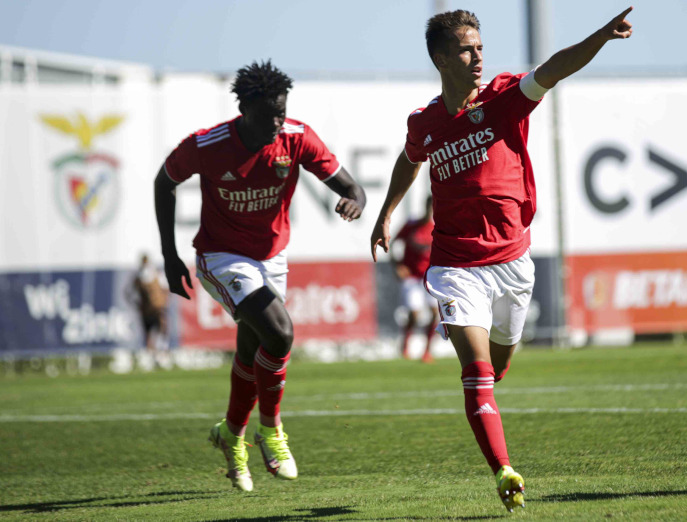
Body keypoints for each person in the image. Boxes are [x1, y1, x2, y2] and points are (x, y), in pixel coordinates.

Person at [370, 7, 633, 512]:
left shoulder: (503, 99)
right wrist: (386, 213)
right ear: (441, 58)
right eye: (467, 50)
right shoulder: (424, 123)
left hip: (513, 262)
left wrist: (600, 35)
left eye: (480, 47)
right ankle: (504, 471)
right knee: (476, 370)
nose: (478, 57)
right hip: (454, 267)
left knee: (499, 363)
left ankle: (488, 397)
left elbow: (555, 68)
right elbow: (410, 158)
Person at [154, 60, 366, 492]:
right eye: (268, 113)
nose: (276, 121)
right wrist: (169, 255)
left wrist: (355, 201)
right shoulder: (208, 145)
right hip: (221, 256)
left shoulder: (296, 138)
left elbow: (352, 187)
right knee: (281, 333)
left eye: (281, 112)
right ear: (244, 108)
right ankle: (270, 431)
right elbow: (164, 182)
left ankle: (231, 436)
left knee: (254, 351)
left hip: (270, 259)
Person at [391, 196, 439, 362]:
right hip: (411, 276)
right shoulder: (412, 225)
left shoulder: (439, 228)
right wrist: (397, 265)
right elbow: (394, 244)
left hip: (430, 277)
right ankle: (405, 344)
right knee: (415, 314)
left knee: (435, 313)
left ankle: (427, 351)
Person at [128, 253, 168, 353]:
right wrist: (136, 304)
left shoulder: (156, 274)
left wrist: (163, 301)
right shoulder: (139, 277)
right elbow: (129, 292)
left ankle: (162, 349)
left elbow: (165, 289)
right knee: (149, 332)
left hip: (157, 307)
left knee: (161, 327)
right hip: (147, 309)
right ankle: (152, 352)